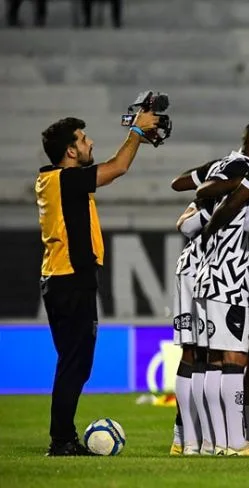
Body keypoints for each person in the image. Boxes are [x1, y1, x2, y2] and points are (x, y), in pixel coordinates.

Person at [38, 112, 159, 456]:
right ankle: (61, 440)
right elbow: (117, 167)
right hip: (71, 282)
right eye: (82, 138)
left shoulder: (55, 180)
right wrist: (136, 130)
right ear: (71, 151)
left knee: (73, 362)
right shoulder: (66, 179)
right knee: (75, 363)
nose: (89, 142)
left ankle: (63, 436)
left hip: (61, 280)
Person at [190, 121, 249, 456]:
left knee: (215, 360)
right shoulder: (247, 174)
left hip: (211, 273)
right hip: (230, 277)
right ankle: (232, 442)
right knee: (234, 359)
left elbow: (196, 191)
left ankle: (215, 441)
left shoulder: (223, 168)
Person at [168, 158, 219, 456]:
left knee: (215, 354)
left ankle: (206, 435)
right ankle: (184, 435)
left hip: (221, 275)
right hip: (196, 272)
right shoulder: (210, 199)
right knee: (194, 351)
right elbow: (185, 225)